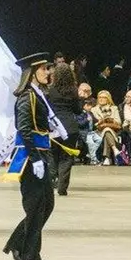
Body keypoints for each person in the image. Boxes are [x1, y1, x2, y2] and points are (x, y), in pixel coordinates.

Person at [3, 53, 64, 260]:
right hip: (31, 159)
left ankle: (18, 245)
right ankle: (30, 254)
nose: (48, 72)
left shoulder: (38, 95)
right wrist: (35, 158)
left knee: (46, 205)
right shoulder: (27, 96)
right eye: (43, 69)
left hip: (42, 155)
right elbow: (24, 128)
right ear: (32, 72)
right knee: (37, 206)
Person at [47, 64, 83, 195]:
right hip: (70, 128)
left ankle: (50, 184)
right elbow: (78, 111)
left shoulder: (50, 91)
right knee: (67, 158)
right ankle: (62, 187)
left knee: (52, 156)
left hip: (54, 127)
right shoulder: (73, 90)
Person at [92, 90, 122, 165]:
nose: (101, 99)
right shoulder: (94, 109)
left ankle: (107, 158)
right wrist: (103, 121)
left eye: (104, 97)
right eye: (99, 97)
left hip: (113, 131)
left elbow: (119, 122)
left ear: (108, 99)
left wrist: (110, 121)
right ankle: (115, 150)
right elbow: (95, 123)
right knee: (106, 130)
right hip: (98, 132)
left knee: (107, 130)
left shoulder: (114, 108)